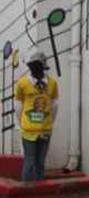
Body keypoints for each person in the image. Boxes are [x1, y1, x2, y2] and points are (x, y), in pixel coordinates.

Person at [15, 52, 58, 182]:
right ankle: (27, 190)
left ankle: (39, 189)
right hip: (29, 131)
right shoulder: (22, 83)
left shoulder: (52, 84)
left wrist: (49, 123)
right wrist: (22, 124)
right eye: (33, 67)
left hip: (45, 130)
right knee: (30, 162)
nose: (35, 70)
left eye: (38, 67)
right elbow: (18, 105)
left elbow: (55, 105)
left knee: (40, 163)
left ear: (43, 68)